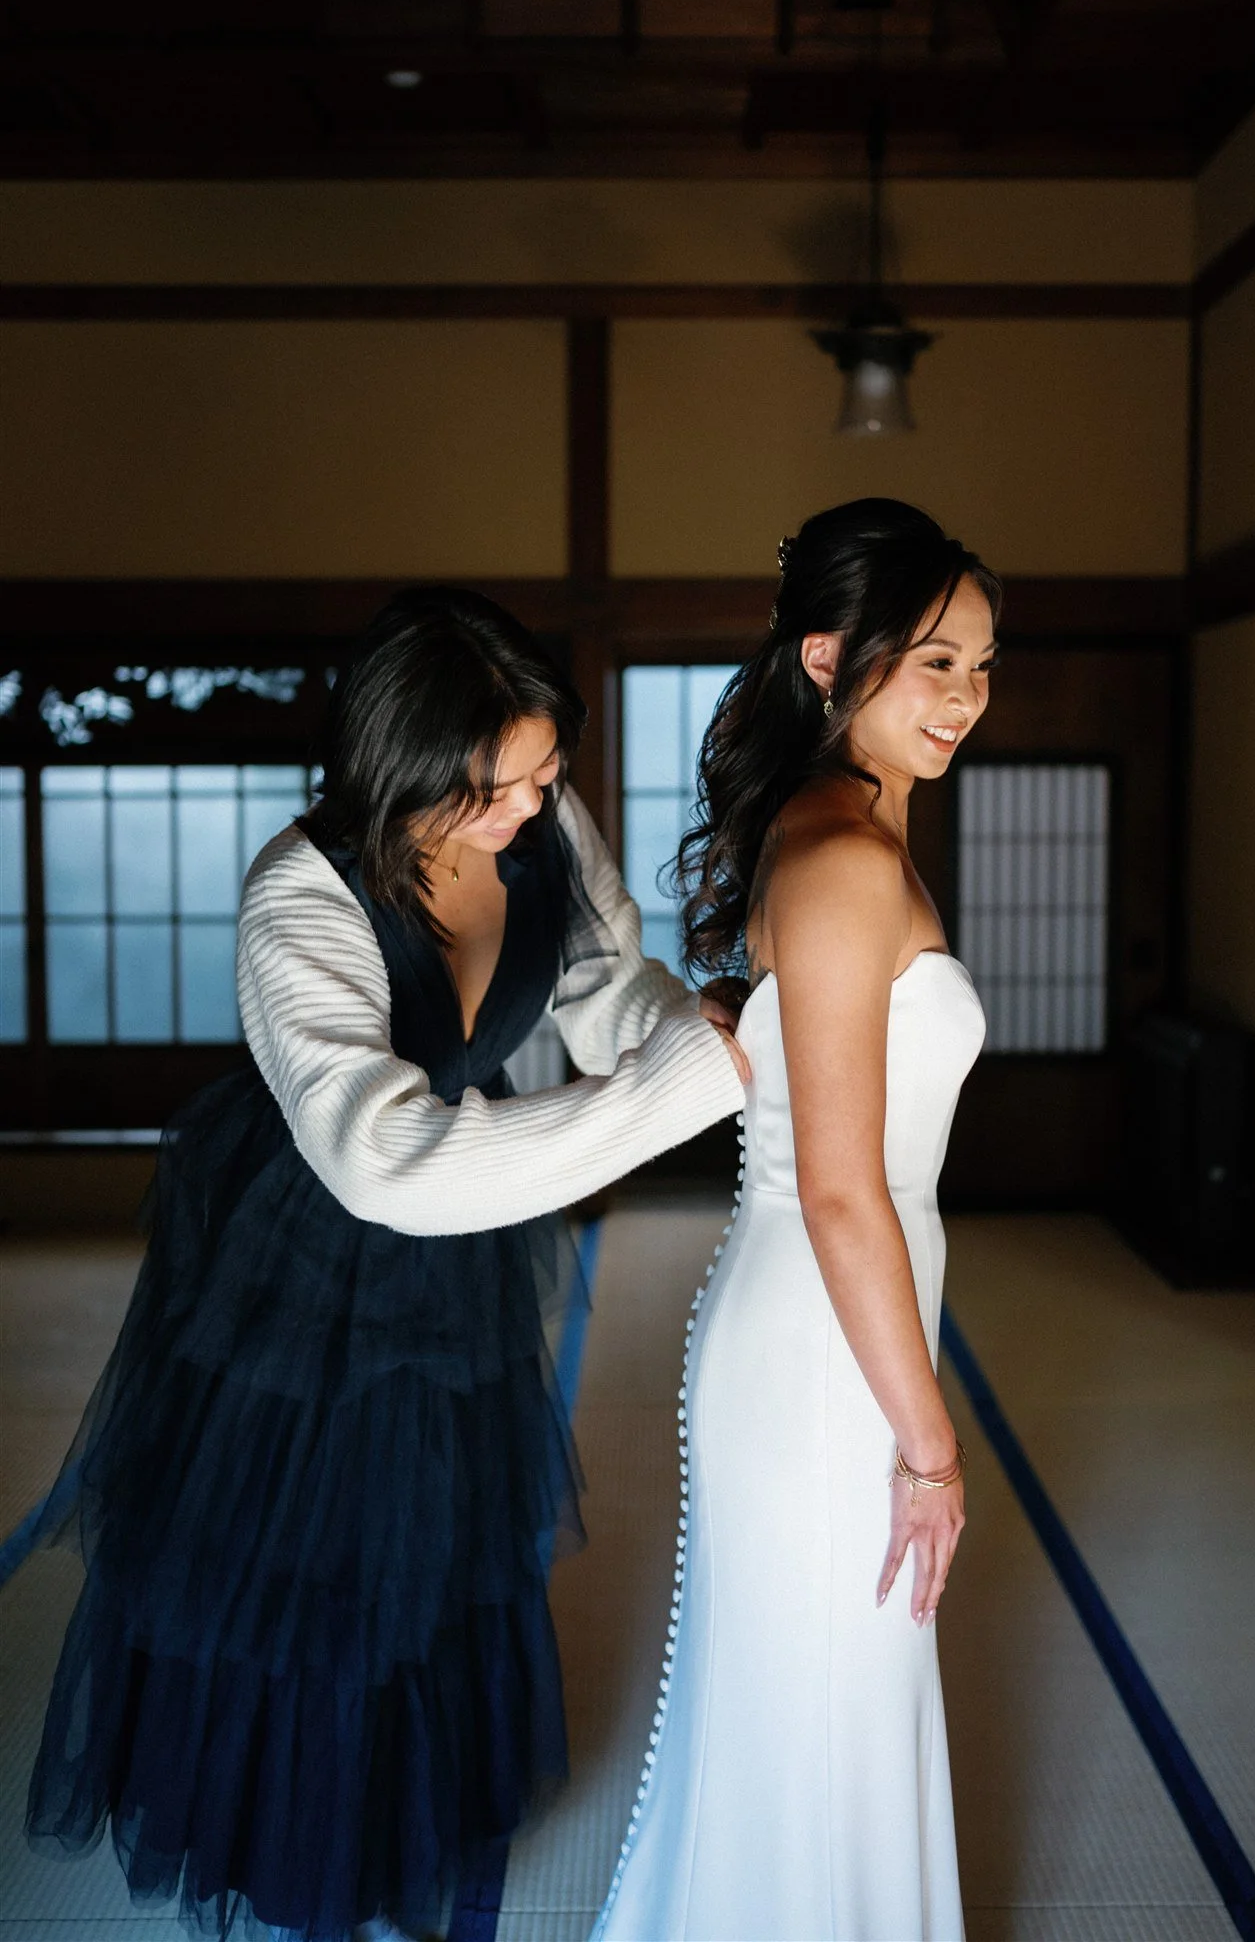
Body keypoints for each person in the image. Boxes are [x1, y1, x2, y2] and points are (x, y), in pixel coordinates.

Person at [24, 587, 748, 1942]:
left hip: (466, 1220)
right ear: (405, 772)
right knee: (305, 1553)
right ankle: (300, 1844)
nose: (532, 808)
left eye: (548, 774)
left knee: (444, 1533)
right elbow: (382, 1157)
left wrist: (686, 1027)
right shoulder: (298, 898)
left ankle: (414, 1804)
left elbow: (598, 985)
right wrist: (693, 1084)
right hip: (314, 1235)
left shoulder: (540, 818)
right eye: (497, 788)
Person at [592, 499, 1002, 1942]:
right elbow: (839, 1187)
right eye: (934, 661)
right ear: (830, 661)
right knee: (828, 1706)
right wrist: (935, 1447)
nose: (966, 696)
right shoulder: (841, 859)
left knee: (830, 1709)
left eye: (981, 666)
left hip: (840, 1329)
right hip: (826, 1345)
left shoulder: (851, 836)